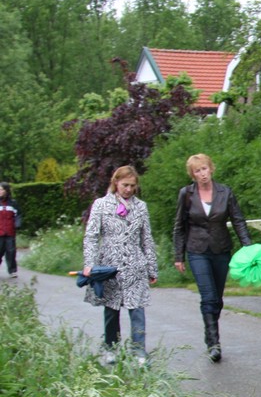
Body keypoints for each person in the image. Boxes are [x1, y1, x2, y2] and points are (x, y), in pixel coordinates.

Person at [172, 153, 252, 362]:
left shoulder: (225, 192)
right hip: (197, 250)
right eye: (197, 171)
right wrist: (178, 256)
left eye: (204, 169)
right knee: (208, 297)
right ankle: (213, 343)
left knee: (217, 299)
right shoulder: (186, 194)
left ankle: (210, 332)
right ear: (193, 175)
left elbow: (238, 220)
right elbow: (179, 226)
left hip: (221, 249)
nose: (202, 174)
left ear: (211, 169)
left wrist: (248, 247)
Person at [82, 166, 158, 364]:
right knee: (111, 309)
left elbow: (146, 239)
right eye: (125, 185)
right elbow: (91, 236)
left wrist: (152, 267)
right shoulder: (101, 204)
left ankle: (139, 351)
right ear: (116, 183)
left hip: (135, 264)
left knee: (137, 307)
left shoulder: (141, 207)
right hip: (110, 265)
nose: (129, 189)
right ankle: (110, 349)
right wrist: (89, 264)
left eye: (132, 186)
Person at [0, 182, 19, 278]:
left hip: (10, 232)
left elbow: (18, 215)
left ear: (6, 191)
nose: (0, 191)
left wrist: (17, 224)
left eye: (1, 189)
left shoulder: (13, 203)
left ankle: (12, 271)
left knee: (11, 252)